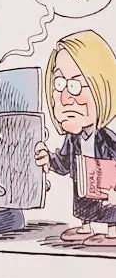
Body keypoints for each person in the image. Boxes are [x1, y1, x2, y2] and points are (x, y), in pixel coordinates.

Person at [34, 28, 116, 246]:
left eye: (76, 85)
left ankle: (113, 231)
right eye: (59, 83)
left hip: (108, 192)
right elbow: (64, 163)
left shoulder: (109, 140)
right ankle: (85, 225)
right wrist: (48, 160)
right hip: (83, 190)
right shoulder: (73, 139)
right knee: (84, 203)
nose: (66, 96)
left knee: (109, 208)